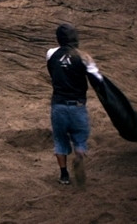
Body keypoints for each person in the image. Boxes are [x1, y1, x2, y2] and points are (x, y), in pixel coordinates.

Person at [46, 24, 103, 186]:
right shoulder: (84, 56)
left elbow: (53, 69)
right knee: (79, 138)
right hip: (78, 105)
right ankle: (79, 153)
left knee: (60, 141)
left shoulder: (50, 54)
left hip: (58, 105)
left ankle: (64, 175)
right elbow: (97, 77)